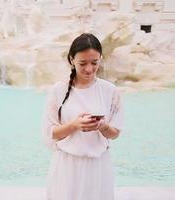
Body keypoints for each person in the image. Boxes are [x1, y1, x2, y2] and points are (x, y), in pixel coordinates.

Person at [41, 33, 124, 200]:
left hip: (98, 166)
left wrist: (103, 126)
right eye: (82, 63)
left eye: (95, 63)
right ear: (72, 59)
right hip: (66, 166)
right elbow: (51, 133)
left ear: (101, 58)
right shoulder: (59, 90)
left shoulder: (110, 91)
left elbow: (115, 134)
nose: (89, 69)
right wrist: (75, 125)